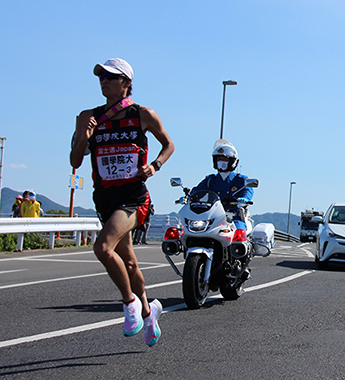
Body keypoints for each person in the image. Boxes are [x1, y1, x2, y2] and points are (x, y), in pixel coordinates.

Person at [70, 58, 174, 346]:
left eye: (111, 77)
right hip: (104, 196)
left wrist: (154, 166)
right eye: (101, 76)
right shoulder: (86, 117)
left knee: (103, 247)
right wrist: (85, 138)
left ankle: (129, 303)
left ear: (126, 83)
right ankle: (148, 310)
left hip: (133, 196)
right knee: (128, 262)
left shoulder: (143, 115)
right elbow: (75, 161)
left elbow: (169, 144)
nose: (104, 81)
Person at [191, 139, 253, 231]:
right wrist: (189, 196)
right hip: (211, 217)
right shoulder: (210, 180)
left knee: (239, 234)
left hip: (233, 217)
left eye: (225, 159)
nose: (221, 161)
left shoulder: (240, 180)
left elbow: (247, 190)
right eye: (218, 159)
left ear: (233, 161)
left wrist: (245, 199)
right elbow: (197, 190)